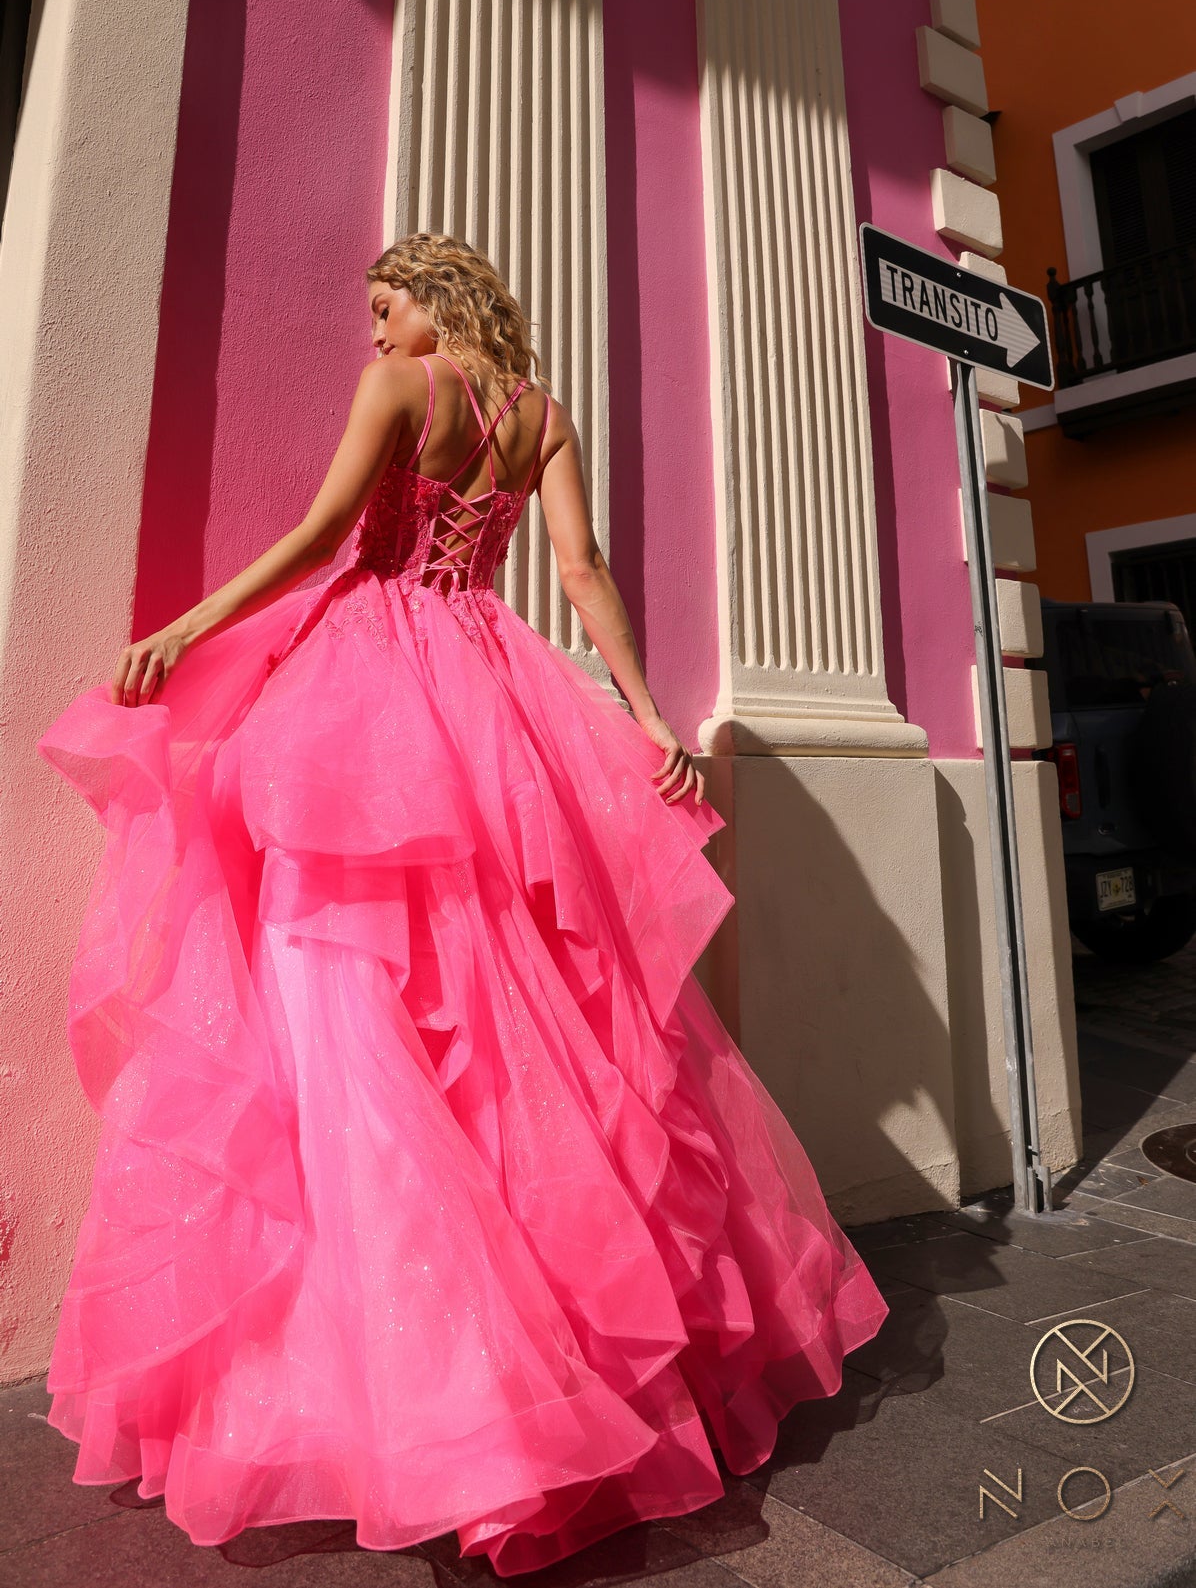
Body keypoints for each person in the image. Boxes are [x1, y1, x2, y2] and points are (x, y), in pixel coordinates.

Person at [36, 233, 890, 1577]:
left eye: (384, 307)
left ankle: (441, 1403)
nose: (373, 335)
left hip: (371, 678)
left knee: (357, 998)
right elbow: (581, 570)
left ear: (436, 299)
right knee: (511, 1011)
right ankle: (538, 1373)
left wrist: (188, 629)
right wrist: (650, 716)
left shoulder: (403, 391)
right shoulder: (540, 413)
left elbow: (323, 536)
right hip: (491, 693)